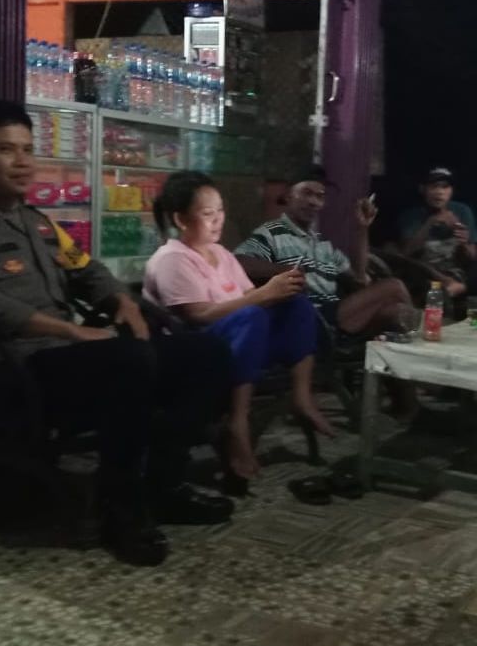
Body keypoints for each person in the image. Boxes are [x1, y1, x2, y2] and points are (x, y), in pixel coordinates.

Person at [0, 101, 231, 567]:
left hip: (73, 358)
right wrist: (70, 330)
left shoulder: (39, 226)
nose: (22, 162)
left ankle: (164, 484)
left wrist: (123, 303)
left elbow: (89, 271)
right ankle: (119, 507)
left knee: (204, 353)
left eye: (28, 149)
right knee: (129, 359)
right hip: (19, 371)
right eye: (6, 150)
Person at [143, 171, 334, 493]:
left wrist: (276, 292)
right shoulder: (172, 260)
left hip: (243, 344)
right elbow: (198, 316)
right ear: (181, 219)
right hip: (201, 352)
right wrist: (262, 296)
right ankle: (238, 421)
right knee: (251, 315)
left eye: (220, 210)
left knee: (297, 305)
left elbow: (249, 297)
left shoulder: (221, 254)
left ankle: (302, 397)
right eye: (208, 213)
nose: (218, 220)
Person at [234, 167, 418, 417]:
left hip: (338, 318)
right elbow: (240, 262)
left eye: (319, 196)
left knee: (396, 315)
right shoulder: (272, 233)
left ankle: (409, 408)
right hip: (310, 320)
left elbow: (359, 278)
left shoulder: (322, 243)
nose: (313, 201)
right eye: (306, 193)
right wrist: (284, 269)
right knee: (394, 287)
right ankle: (431, 354)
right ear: (288, 196)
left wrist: (362, 228)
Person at [396, 167, 477, 298]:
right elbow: (406, 254)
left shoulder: (462, 211)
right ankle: (444, 291)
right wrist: (430, 222)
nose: (439, 192)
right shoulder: (411, 216)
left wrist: (463, 242)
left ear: (451, 191)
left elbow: (472, 257)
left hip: (452, 273)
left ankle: (447, 292)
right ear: (422, 189)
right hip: (422, 273)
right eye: (434, 186)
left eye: (445, 187)